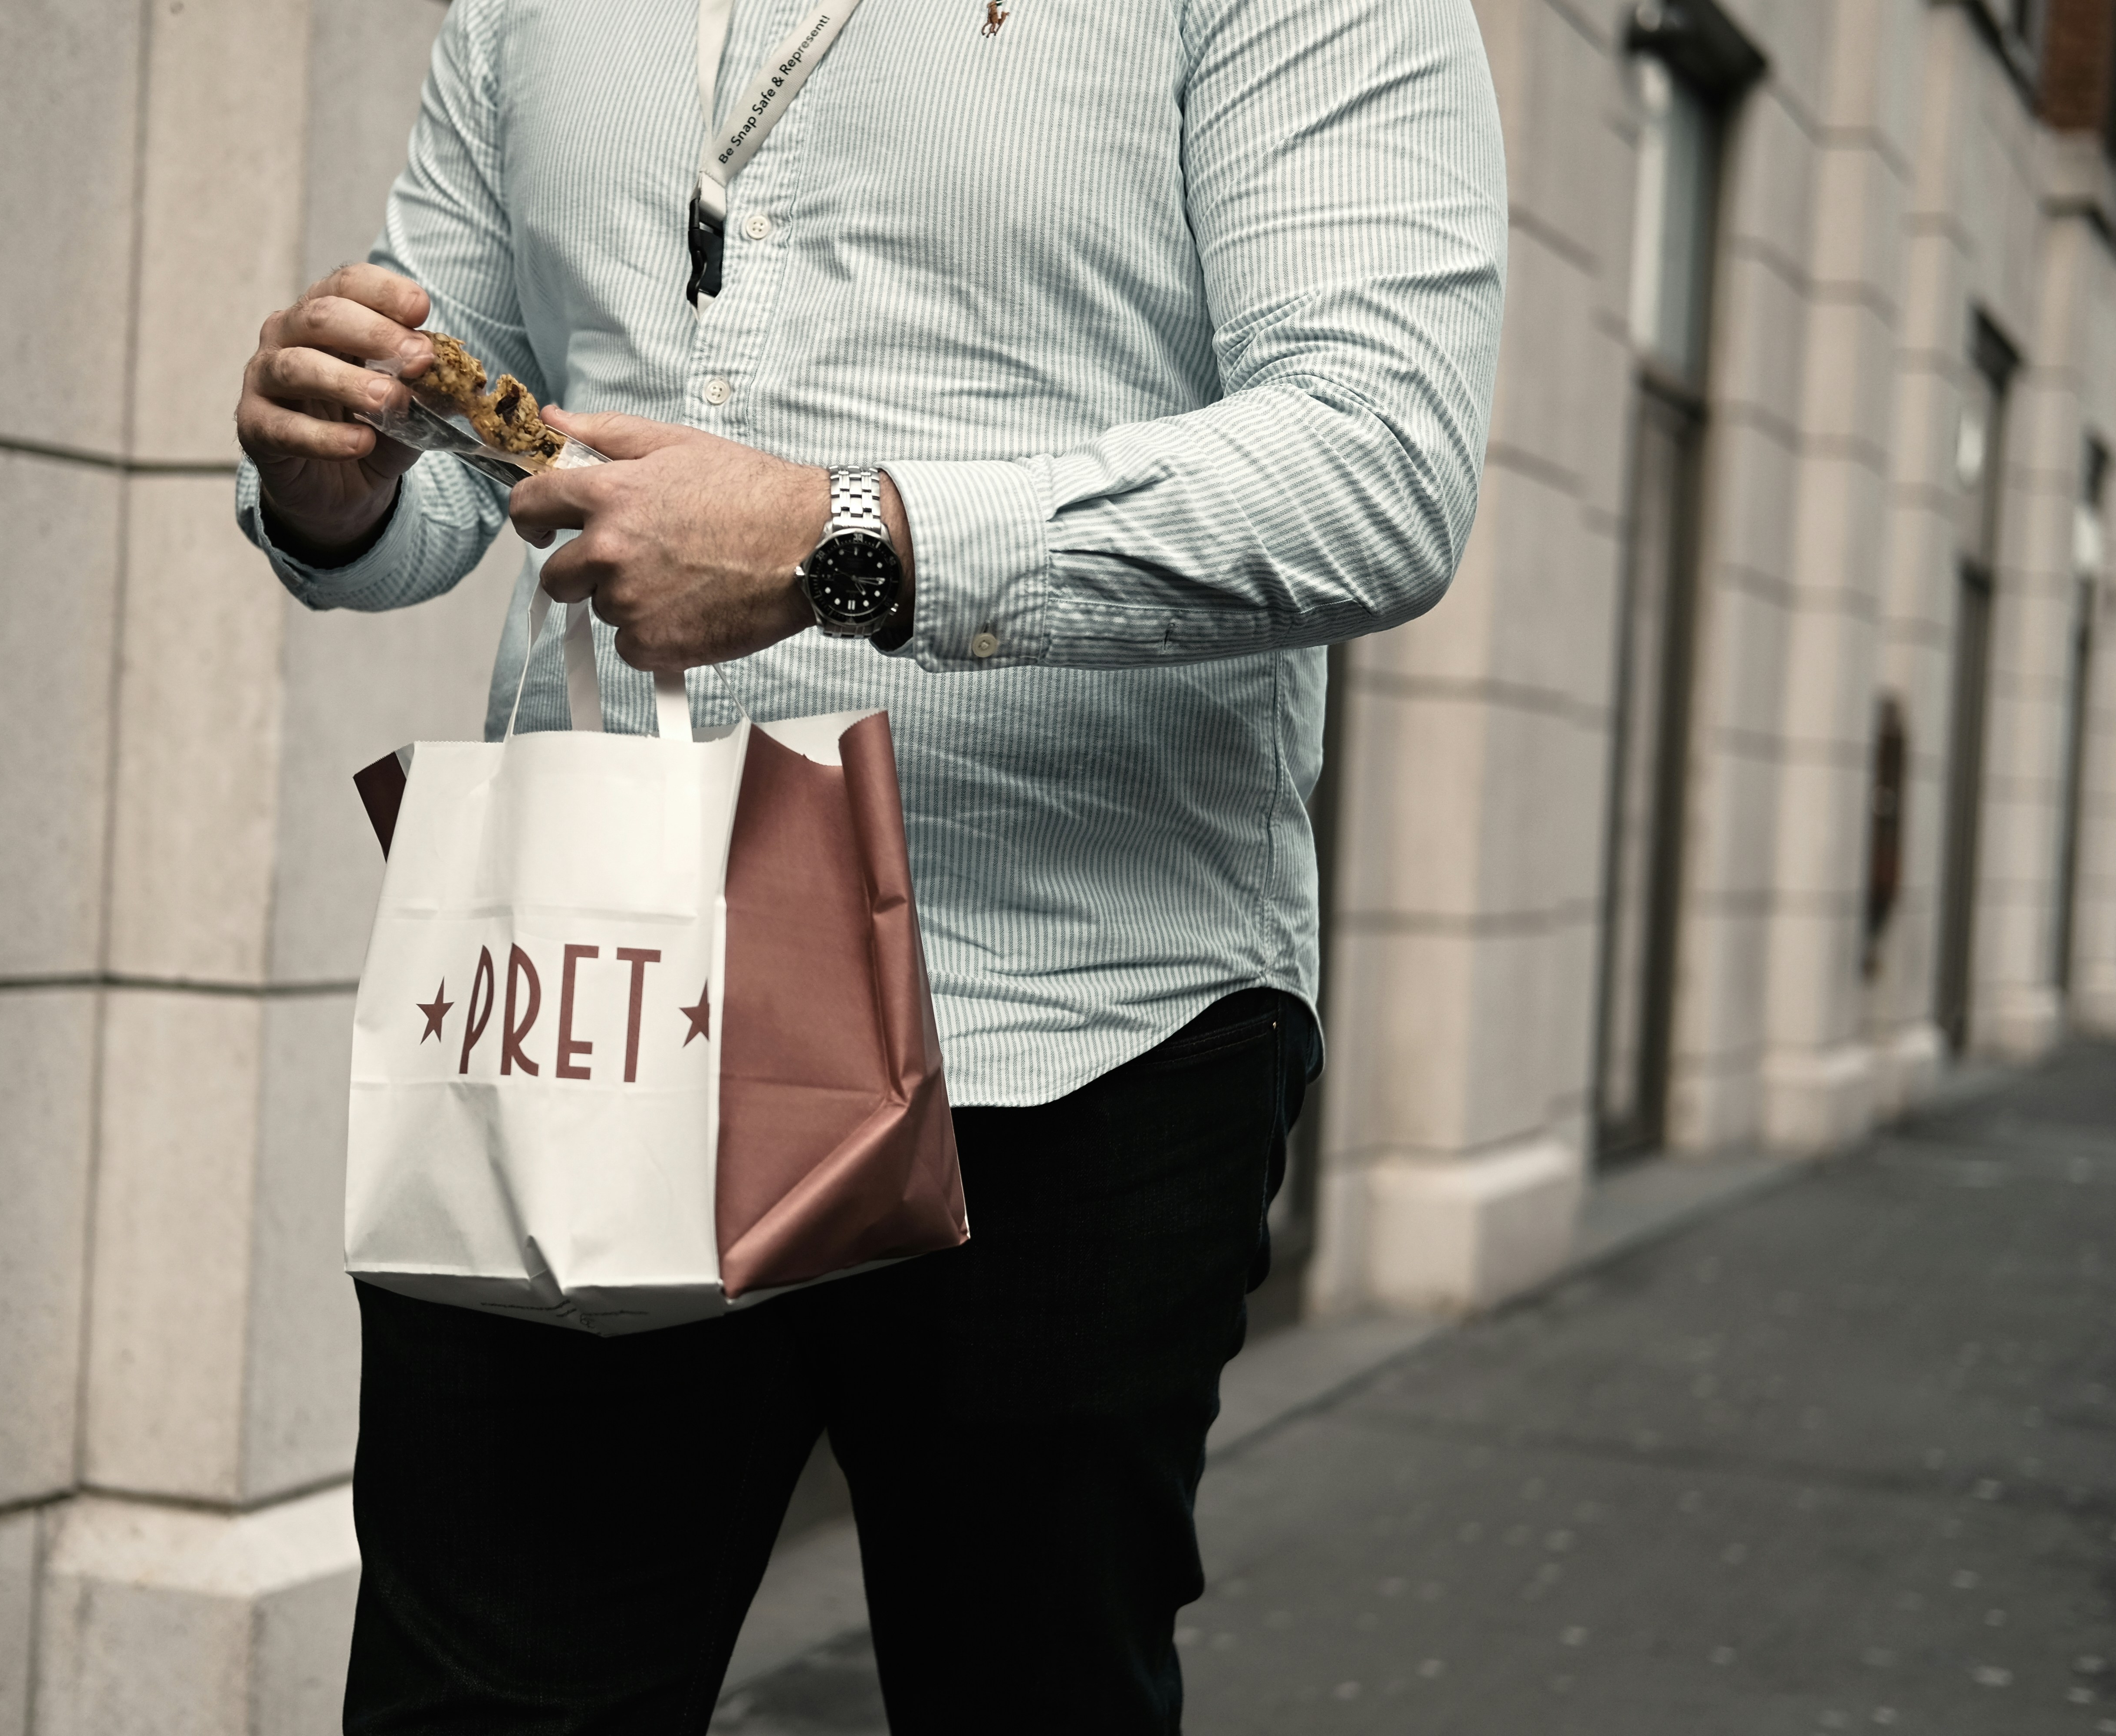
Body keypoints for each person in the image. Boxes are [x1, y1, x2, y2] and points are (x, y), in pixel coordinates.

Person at [233, 0, 1505, 1728]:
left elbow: (1379, 467)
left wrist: (842, 538)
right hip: (610, 1014)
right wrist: (338, 482)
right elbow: (451, 475)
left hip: (1072, 1030)